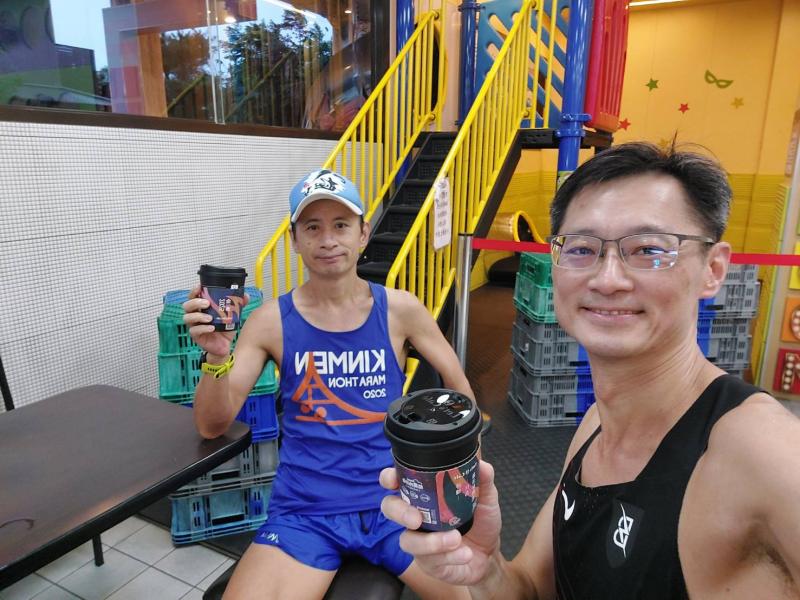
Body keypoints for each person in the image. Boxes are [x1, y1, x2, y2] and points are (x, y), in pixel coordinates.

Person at [380, 142, 800, 599]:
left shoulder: (761, 449)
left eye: (648, 249)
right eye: (582, 248)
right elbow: (530, 590)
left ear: (713, 269)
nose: (607, 279)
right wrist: (485, 569)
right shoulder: (596, 425)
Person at [183, 169, 473, 600]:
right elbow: (211, 425)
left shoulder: (401, 310)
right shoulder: (270, 321)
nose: (328, 240)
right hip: (305, 512)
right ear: (295, 240)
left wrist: (461, 480)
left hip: (396, 503)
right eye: (312, 227)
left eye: (340, 225)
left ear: (363, 233)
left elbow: (459, 390)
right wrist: (216, 357)